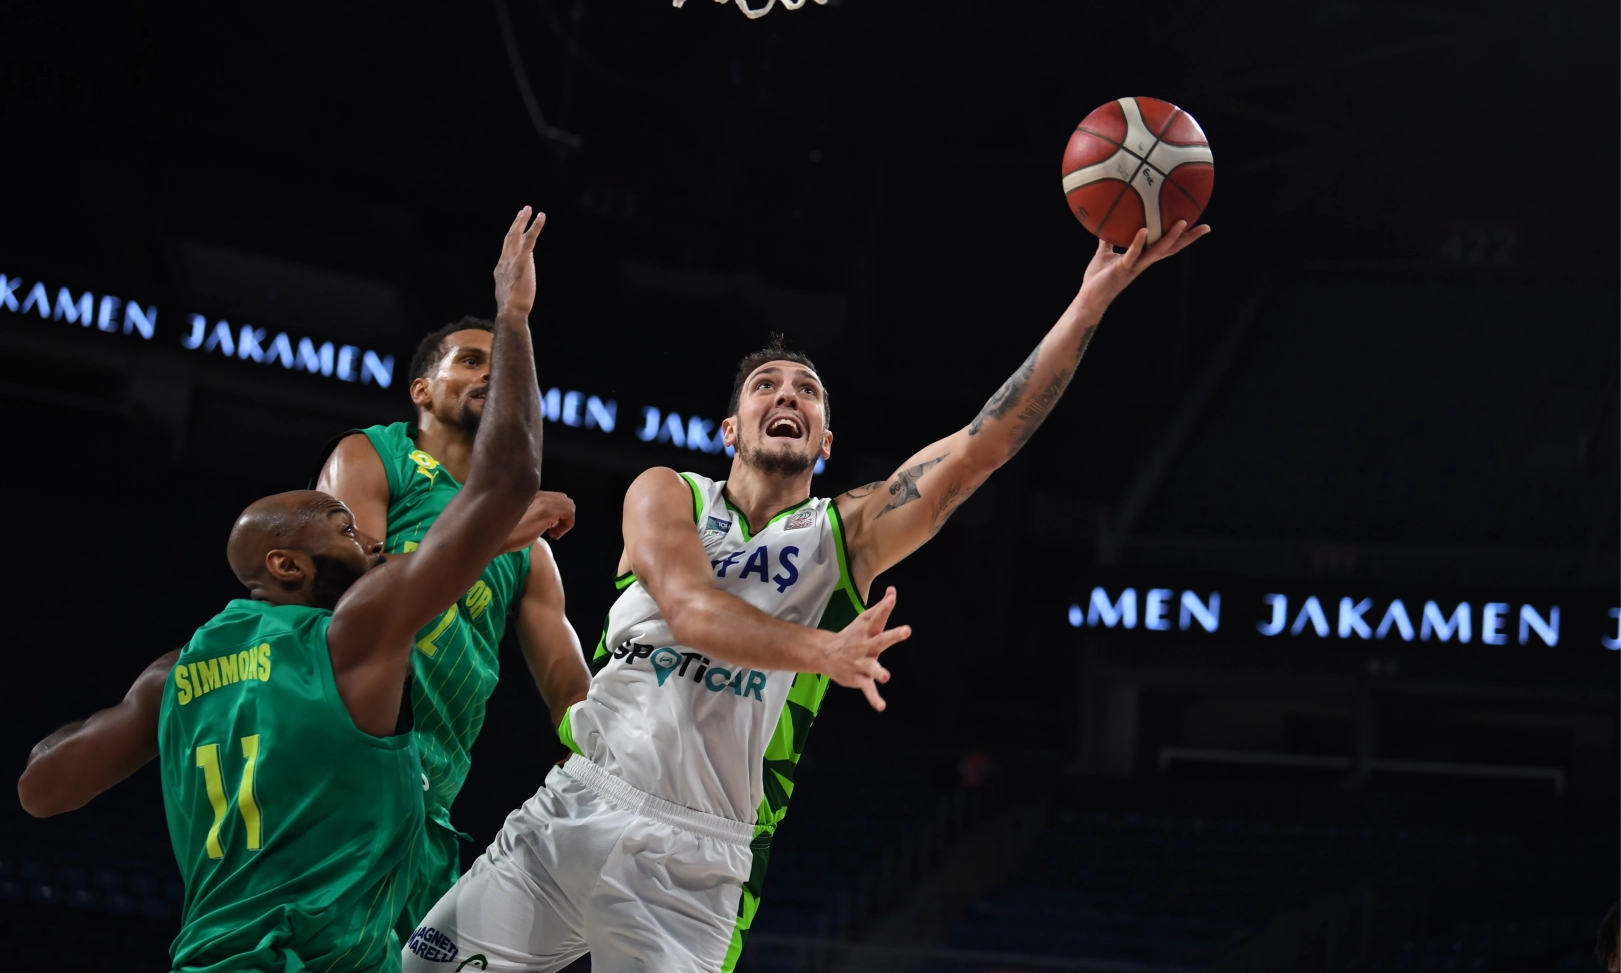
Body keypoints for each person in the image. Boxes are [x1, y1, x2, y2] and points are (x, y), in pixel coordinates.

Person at [402, 221, 1210, 973]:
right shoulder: (667, 491)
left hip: (695, 856)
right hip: (579, 803)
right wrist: (824, 650)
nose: (786, 395)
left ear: (824, 440)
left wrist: (1088, 303)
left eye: (806, 392)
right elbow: (687, 607)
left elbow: (981, 447)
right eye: (765, 386)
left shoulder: (845, 534)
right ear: (730, 429)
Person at [17, 207, 553, 973]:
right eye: (344, 531)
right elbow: (508, 480)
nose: (369, 541)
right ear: (288, 567)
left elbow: (42, 789)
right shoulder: (351, 639)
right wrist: (513, 316)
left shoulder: (175, 675)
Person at [314, 310, 592, 941]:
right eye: (470, 361)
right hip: (343, 763)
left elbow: (566, 680)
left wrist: (610, 744)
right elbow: (344, 589)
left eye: (504, 367)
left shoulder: (531, 549)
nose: (492, 375)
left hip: (431, 798)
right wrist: (492, 535)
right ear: (422, 390)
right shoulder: (374, 454)